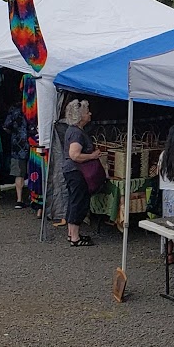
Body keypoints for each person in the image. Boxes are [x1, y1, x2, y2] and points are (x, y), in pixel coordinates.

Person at [61, 99, 101, 247]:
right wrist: (92, 156)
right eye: (86, 111)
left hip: (71, 171)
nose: (89, 113)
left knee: (73, 201)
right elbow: (75, 155)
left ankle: (72, 234)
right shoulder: (77, 133)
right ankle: (75, 238)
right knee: (79, 202)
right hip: (76, 171)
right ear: (80, 115)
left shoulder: (73, 130)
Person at [1, 103, 30, 209]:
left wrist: (15, 134)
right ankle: (35, 198)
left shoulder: (14, 109)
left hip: (18, 145)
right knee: (35, 170)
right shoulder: (33, 107)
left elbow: (5, 126)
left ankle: (19, 199)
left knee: (19, 173)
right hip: (33, 142)